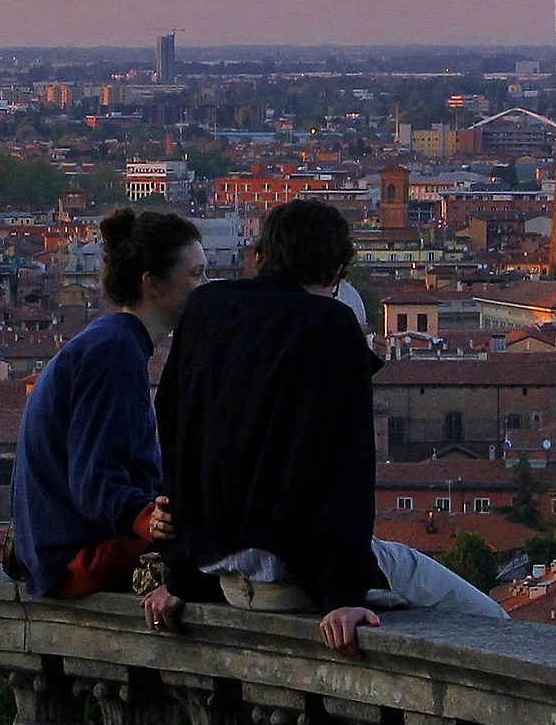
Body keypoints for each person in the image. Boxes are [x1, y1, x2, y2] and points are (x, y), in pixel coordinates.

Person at [148, 198, 503, 656]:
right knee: (490, 620)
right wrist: (342, 597)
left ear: (262, 254)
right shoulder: (330, 324)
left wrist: (180, 576)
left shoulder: (205, 310)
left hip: (221, 576)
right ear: (335, 271)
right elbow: (346, 470)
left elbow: (175, 436)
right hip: (297, 581)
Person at [8, 208, 206, 598]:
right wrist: (148, 517)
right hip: (79, 560)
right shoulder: (115, 352)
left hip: (59, 551)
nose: (207, 285)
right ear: (152, 284)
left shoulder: (110, 340)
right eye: (196, 274)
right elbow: (95, 480)